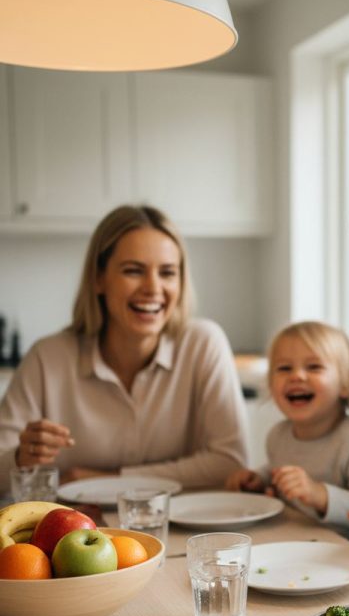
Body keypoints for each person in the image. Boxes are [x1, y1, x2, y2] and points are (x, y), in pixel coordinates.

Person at [0, 204, 249, 494]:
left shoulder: (204, 344)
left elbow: (230, 463)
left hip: (183, 532)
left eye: (168, 273)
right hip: (75, 531)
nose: (153, 288)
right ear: (99, 279)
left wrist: (105, 479)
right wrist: (20, 458)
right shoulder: (47, 358)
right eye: (133, 271)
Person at [225, 321, 349, 538]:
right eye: (284, 368)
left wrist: (320, 495)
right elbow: (278, 467)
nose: (297, 376)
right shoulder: (278, 436)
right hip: (294, 542)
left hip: (346, 556)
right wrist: (259, 479)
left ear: (346, 386)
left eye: (314, 367)